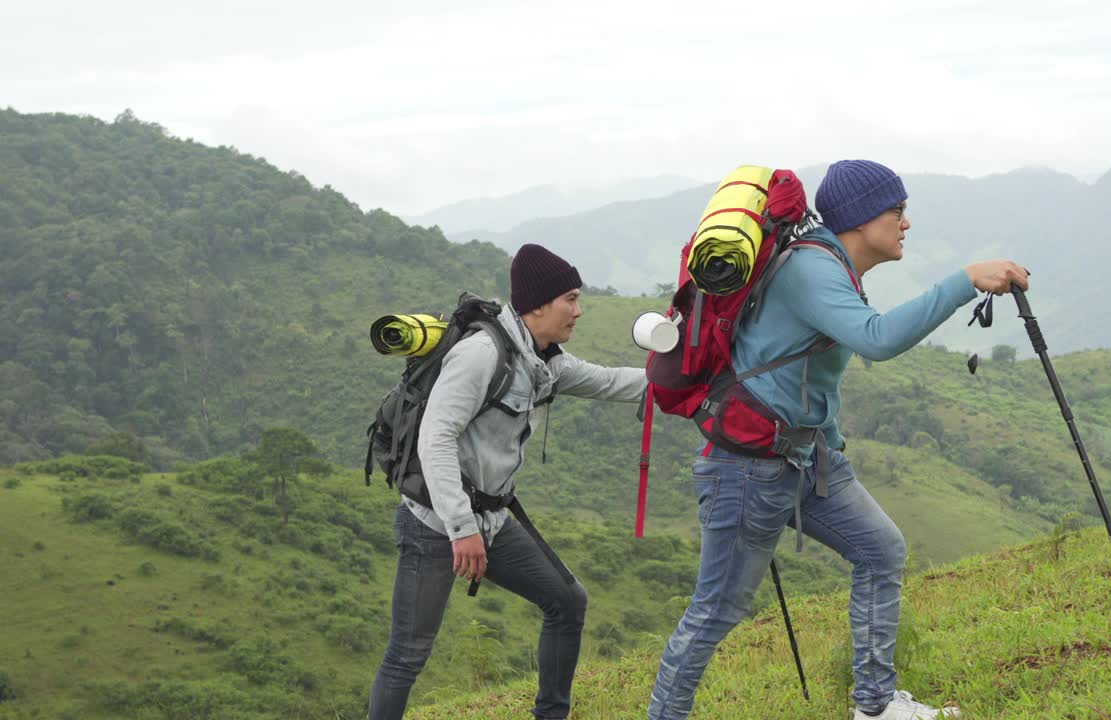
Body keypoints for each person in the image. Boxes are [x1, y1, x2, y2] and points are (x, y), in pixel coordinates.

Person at [647, 160, 1030, 720]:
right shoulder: (812, 270)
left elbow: (806, 375)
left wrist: (828, 438)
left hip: (804, 459)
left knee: (880, 550)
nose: (905, 223)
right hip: (748, 470)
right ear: (859, 217)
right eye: (896, 210)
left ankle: (874, 707)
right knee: (717, 610)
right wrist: (963, 280)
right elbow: (875, 340)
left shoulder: (830, 265)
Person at [369, 244, 648, 720]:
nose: (578, 312)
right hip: (436, 524)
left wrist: (691, 376)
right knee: (408, 653)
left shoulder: (545, 361)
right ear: (538, 304)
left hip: (491, 519)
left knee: (567, 601)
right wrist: (462, 530)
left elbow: (608, 382)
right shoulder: (481, 354)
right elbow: (434, 440)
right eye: (571, 300)